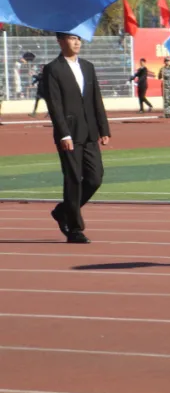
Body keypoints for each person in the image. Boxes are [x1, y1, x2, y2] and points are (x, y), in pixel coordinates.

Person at [42, 32, 111, 244]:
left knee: (95, 178)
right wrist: (64, 133)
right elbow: (54, 105)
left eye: (78, 38)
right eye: (72, 38)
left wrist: (104, 128)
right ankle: (75, 229)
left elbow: (96, 99)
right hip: (69, 134)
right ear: (60, 41)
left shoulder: (88, 67)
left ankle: (63, 211)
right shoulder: (53, 69)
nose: (77, 42)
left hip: (90, 131)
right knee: (73, 179)